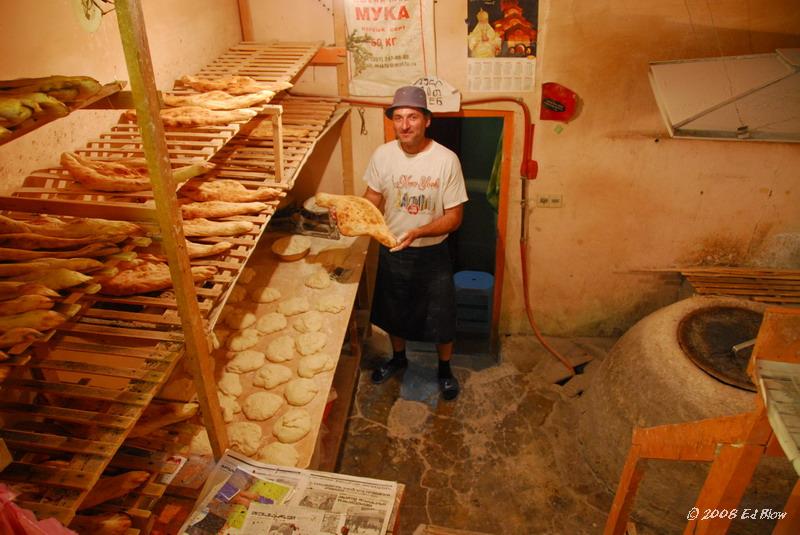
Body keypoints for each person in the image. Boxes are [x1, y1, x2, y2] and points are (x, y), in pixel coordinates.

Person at [362, 85, 468, 400]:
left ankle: (445, 370)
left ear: (427, 120)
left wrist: (419, 232)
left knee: (441, 314)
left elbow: (454, 218)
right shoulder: (382, 155)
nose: (405, 125)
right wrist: (357, 214)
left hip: (432, 253)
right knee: (394, 310)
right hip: (394, 249)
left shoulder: (446, 160)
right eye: (398, 117)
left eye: (412, 117)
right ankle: (398, 359)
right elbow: (372, 199)